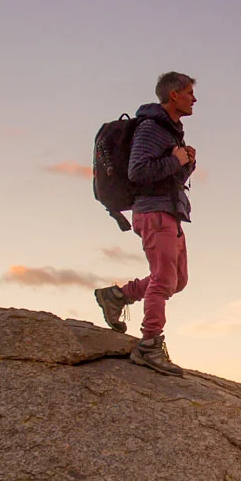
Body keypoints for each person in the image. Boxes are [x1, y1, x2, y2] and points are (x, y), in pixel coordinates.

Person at [95, 71, 196, 374]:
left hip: (169, 211)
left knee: (177, 280)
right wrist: (176, 160)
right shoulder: (152, 128)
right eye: (189, 92)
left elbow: (167, 178)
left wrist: (186, 165)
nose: (194, 99)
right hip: (154, 213)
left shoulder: (170, 132)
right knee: (164, 279)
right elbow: (137, 172)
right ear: (173, 94)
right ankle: (149, 344)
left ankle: (116, 296)